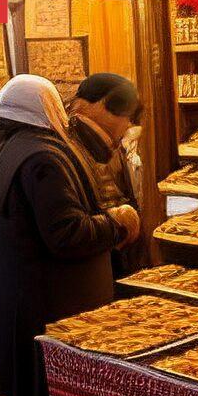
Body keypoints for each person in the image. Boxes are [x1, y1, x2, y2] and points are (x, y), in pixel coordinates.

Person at [0, 74, 139, 396]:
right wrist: (117, 221)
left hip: (19, 305)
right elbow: (66, 234)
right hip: (51, 311)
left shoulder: (0, 147)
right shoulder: (42, 157)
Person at [66, 72, 147, 275]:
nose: (129, 124)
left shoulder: (110, 144)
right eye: (126, 116)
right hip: (97, 255)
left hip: (110, 249)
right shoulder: (81, 144)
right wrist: (120, 223)